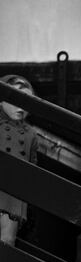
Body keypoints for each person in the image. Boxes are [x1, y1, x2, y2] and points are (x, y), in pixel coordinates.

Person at [0, 74, 38, 247]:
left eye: (26, 102)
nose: (20, 107)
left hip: (13, 197)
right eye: (15, 99)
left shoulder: (30, 134)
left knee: (7, 241)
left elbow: (32, 166)